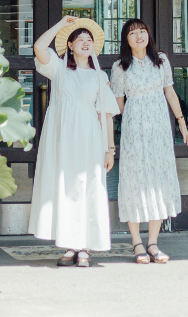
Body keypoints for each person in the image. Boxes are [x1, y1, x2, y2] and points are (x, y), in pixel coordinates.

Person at [28, 15, 120, 267]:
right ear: (69, 45)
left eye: (88, 39)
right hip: (62, 138)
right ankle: (71, 244)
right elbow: (38, 47)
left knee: (89, 187)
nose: (85, 42)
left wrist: (110, 149)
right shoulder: (57, 69)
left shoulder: (99, 77)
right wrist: (60, 25)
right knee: (67, 188)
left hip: (90, 138)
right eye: (79, 38)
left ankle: (86, 247)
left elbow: (106, 115)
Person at [109, 18, 188, 264]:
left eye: (142, 31)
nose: (139, 35)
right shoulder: (120, 67)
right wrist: (133, 122)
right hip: (135, 132)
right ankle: (137, 243)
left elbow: (170, 92)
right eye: (133, 33)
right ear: (126, 39)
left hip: (161, 132)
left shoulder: (161, 60)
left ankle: (153, 243)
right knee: (135, 180)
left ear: (148, 35)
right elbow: (118, 103)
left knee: (158, 179)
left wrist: (181, 122)